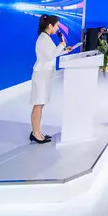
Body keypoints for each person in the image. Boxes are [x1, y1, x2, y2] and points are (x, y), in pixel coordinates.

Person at [30, 14, 73, 143]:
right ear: (50, 26)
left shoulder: (46, 38)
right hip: (41, 76)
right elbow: (50, 55)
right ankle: (35, 133)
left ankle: (37, 131)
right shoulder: (43, 39)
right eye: (57, 26)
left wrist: (65, 50)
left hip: (45, 75)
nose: (58, 28)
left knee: (41, 103)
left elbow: (52, 53)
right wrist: (61, 45)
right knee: (38, 104)